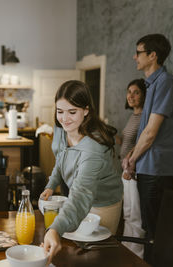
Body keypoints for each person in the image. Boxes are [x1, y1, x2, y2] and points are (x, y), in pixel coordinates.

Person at [40, 80, 123, 264]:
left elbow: (81, 194)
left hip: (103, 205)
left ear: (86, 110)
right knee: (75, 254)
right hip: (78, 200)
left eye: (72, 112)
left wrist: (54, 229)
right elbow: (60, 160)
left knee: (95, 259)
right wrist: (51, 184)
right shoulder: (61, 129)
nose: (64, 119)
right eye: (60, 111)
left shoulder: (93, 148)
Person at [122, 34, 173, 262]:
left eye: (138, 52)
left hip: (157, 168)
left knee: (154, 232)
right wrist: (131, 154)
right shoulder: (153, 85)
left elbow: (151, 133)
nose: (134, 57)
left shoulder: (166, 83)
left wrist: (131, 160)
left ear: (152, 55)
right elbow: (144, 131)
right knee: (148, 228)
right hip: (148, 166)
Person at [117, 79, 146, 258]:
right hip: (125, 169)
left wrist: (130, 167)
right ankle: (127, 247)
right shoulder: (133, 116)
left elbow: (142, 144)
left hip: (133, 170)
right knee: (127, 212)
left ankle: (137, 254)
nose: (131, 96)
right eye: (129, 91)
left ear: (144, 95)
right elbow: (128, 141)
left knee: (134, 214)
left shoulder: (145, 117)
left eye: (136, 92)